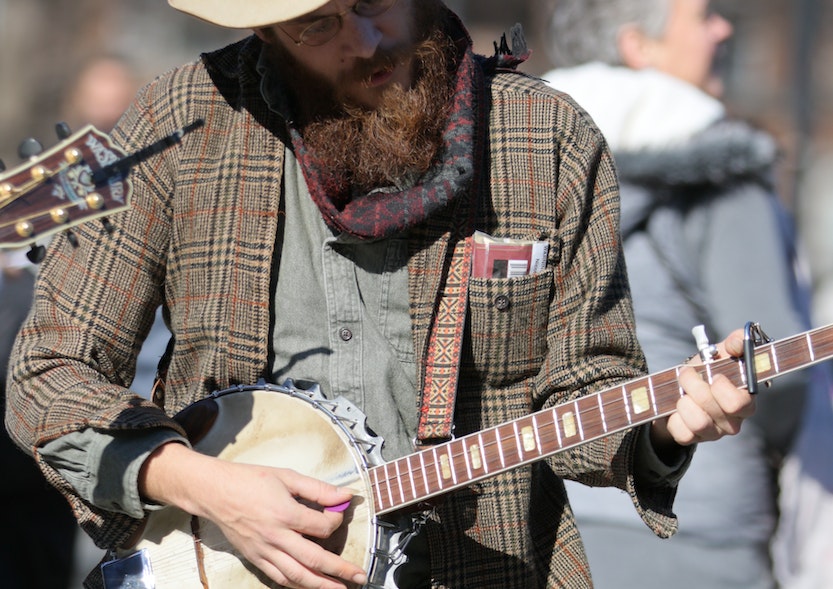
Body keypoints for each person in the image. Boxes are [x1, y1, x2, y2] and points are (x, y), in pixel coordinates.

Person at [5, 1, 756, 588]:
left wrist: (665, 426)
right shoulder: (179, 125)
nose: (363, 41)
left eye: (374, 2)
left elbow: (588, 383)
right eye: (318, 24)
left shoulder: (546, 137)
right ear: (267, 31)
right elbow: (49, 376)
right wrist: (206, 485)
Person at [541, 1, 812, 587]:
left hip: (550, 516)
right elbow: (782, 367)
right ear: (640, 45)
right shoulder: (721, 173)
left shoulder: (529, 164)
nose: (724, 28)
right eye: (704, 15)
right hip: (699, 524)